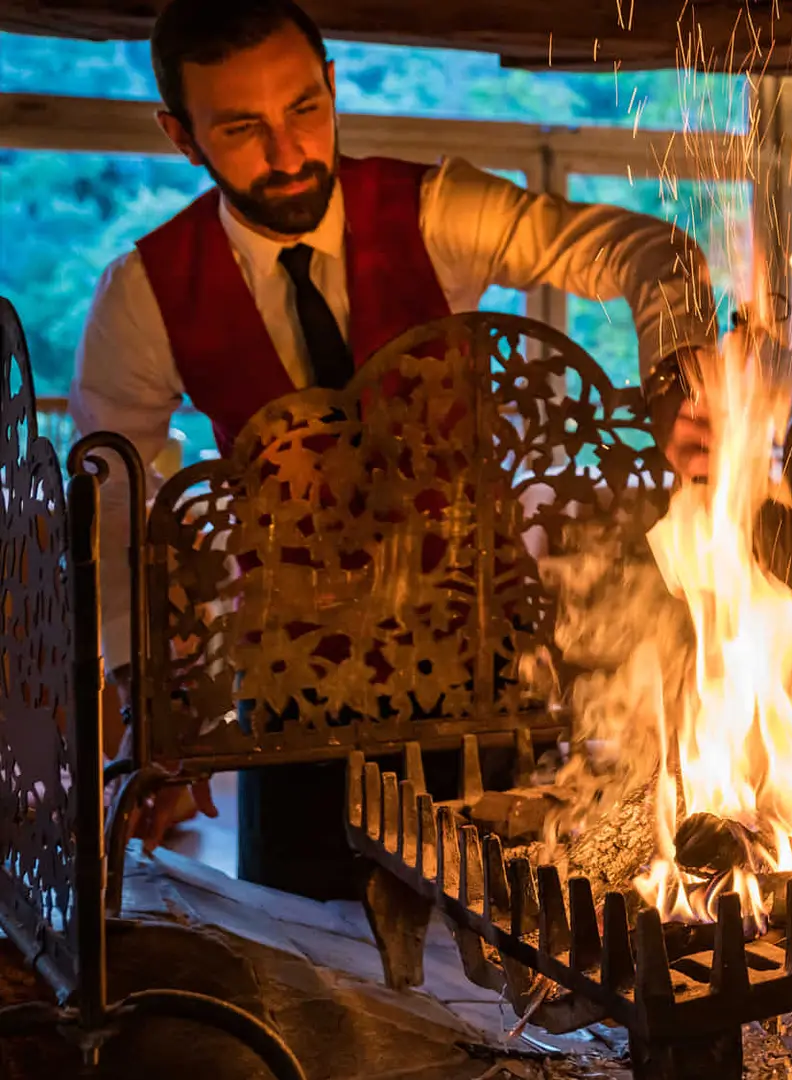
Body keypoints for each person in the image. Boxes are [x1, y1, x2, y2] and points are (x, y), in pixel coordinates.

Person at [71, 0, 712, 898]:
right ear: (182, 135)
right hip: (292, 695)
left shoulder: (435, 209)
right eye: (244, 128)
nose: (289, 152)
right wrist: (148, 695)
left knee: (501, 935)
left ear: (333, 86)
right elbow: (113, 505)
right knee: (305, 948)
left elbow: (650, 252)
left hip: (482, 672)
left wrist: (679, 372)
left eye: (305, 108)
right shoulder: (144, 292)